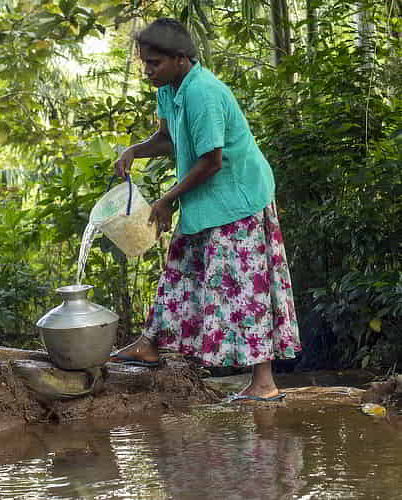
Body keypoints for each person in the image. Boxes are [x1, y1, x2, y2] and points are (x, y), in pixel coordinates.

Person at [110, 18, 300, 400]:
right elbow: (167, 138)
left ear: (181, 58)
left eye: (155, 63)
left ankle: (263, 383)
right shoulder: (170, 88)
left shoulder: (203, 93)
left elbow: (212, 160)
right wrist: (134, 150)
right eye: (144, 63)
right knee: (181, 267)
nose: (148, 71)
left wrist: (167, 199)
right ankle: (149, 344)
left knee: (247, 287)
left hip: (237, 195)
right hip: (207, 194)